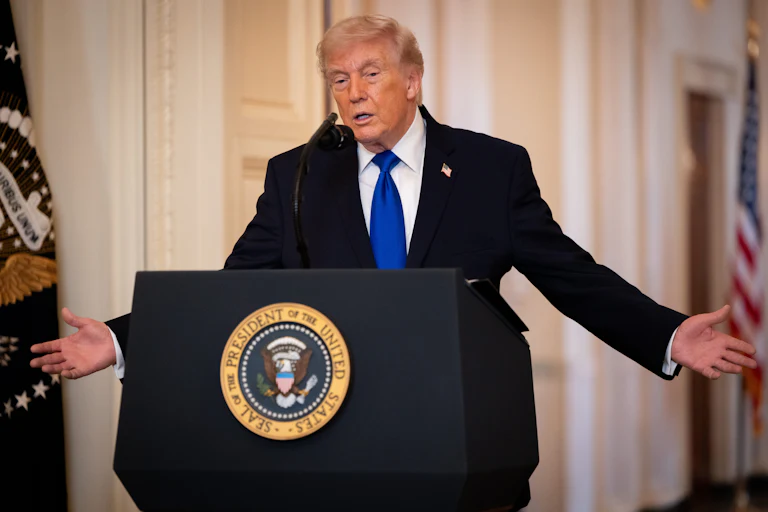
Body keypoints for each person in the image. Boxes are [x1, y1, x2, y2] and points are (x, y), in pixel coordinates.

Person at [29, 13, 757, 507]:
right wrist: (126, 339)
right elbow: (235, 292)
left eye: (370, 74)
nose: (353, 93)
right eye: (338, 80)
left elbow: (571, 276)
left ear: (412, 80)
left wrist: (665, 332)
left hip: (459, 434)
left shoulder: (489, 168)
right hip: (335, 442)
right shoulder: (299, 173)